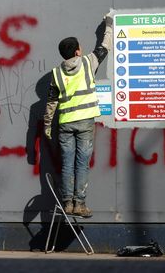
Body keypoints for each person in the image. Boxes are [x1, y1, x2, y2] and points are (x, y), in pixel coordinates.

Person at [43, 16, 111, 218]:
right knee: (81, 163)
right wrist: (109, 25)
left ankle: (67, 204)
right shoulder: (88, 63)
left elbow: (51, 103)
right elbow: (104, 47)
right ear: (77, 52)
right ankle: (80, 204)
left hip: (65, 124)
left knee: (67, 163)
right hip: (85, 123)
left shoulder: (56, 73)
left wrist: (47, 127)